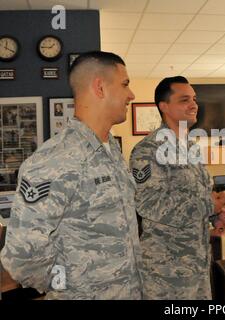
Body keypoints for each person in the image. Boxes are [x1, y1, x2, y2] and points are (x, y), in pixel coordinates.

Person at [0, 51, 143, 299]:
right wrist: (68, 287)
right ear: (100, 87)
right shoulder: (55, 159)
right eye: (125, 84)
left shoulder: (112, 150)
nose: (131, 95)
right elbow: (22, 255)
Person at [129, 76, 225, 300]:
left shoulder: (192, 148)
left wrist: (214, 217)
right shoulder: (148, 149)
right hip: (166, 272)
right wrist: (209, 206)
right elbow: (148, 203)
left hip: (198, 264)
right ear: (164, 107)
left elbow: (198, 195)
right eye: (185, 99)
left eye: (194, 99)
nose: (194, 104)